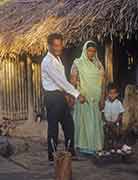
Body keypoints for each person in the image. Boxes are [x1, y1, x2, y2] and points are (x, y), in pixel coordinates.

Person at [41, 33, 86, 162]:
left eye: (60, 45)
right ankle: (52, 156)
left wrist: (66, 95)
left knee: (69, 125)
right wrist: (77, 95)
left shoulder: (57, 58)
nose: (58, 48)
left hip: (59, 96)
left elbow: (62, 83)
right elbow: (62, 81)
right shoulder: (48, 62)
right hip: (52, 97)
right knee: (53, 128)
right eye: (55, 46)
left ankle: (70, 152)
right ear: (49, 46)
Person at [70, 41, 105, 155]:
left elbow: (103, 82)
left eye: (93, 51)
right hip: (83, 98)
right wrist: (74, 95)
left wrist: (102, 98)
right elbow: (73, 81)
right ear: (85, 51)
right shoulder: (78, 63)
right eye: (89, 51)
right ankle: (83, 147)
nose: (91, 53)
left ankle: (95, 146)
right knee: (85, 123)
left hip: (96, 98)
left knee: (95, 122)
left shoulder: (98, 64)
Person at [103, 82, 125, 150]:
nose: (112, 95)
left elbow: (121, 114)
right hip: (106, 123)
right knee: (106, 132)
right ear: (107, 94)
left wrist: (116, 121)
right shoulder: (105, 103)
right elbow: (102, 114)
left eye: (114, 93)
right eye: (110, 93)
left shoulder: (118, 103)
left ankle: (115, 145)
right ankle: (107, 147)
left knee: (115, 132)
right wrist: (106, 121)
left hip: (116, 123)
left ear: (117, 94)